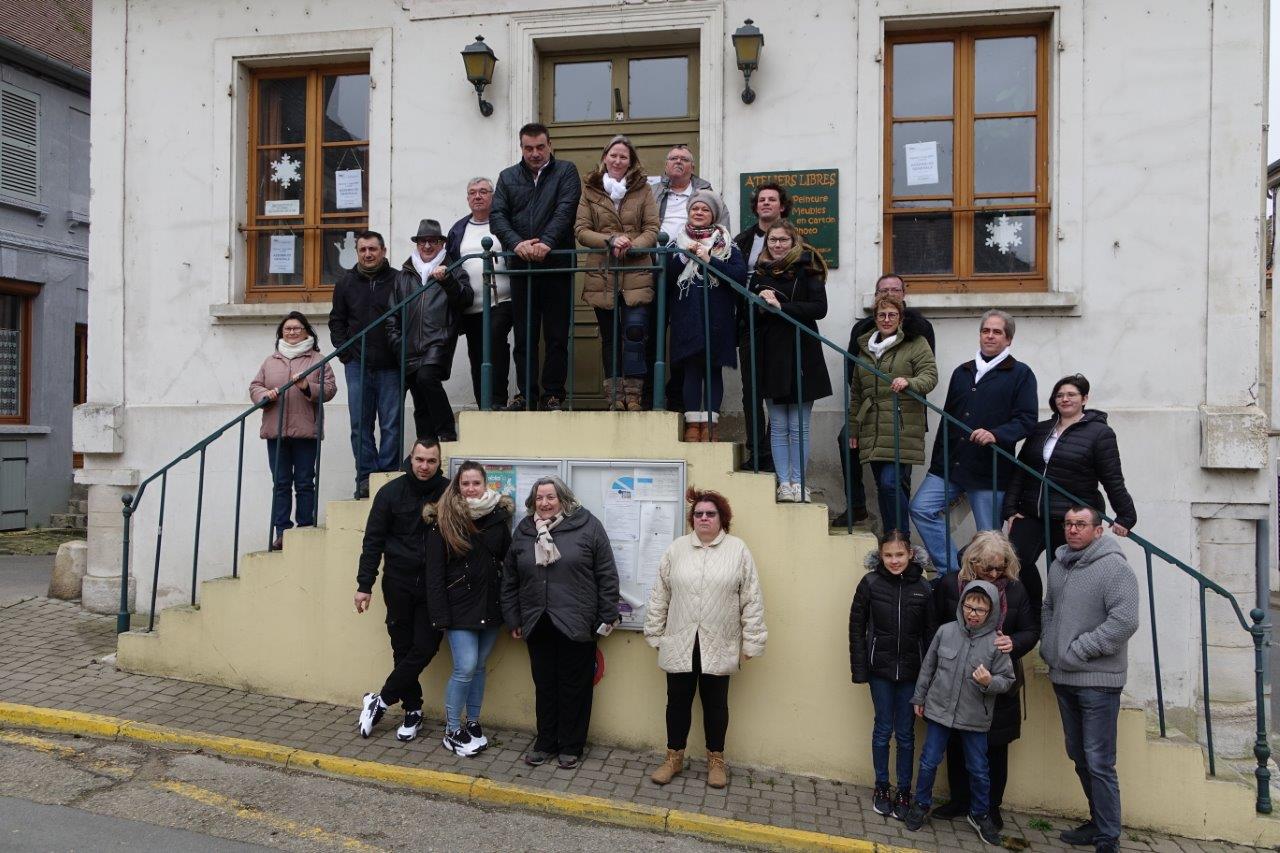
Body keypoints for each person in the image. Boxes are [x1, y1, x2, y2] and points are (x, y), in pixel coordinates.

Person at [645, 488, 766, 790]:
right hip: (681, 640)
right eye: (698, 514)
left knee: (716, 705)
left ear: (721, 518)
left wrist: (752, 641)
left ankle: (716, 761)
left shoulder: (738, 550)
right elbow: (661, 594)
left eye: (710, 513)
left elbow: (751, 598)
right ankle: (674, 758)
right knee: (677, 703)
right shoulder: (677, 549)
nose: (703, 518)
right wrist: (655, 632)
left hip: (719, 641)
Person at [501, 477, 620, 769]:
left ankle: (571, 745)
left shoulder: (587, 526)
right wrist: (513, 617)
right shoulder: (525, 530)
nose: (544, 503)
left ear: (563, 499)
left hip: (576, 621)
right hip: (537, 621)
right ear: (533, 502)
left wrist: (606, 616)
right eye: (539, 498)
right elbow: (510, 578)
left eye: (550, 497)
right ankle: (545, 742)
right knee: (545, 685)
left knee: (574, 686)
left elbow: (606, 573)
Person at [909, 310, 1037, 579]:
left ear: (1008, 339)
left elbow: (1026, 421)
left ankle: (988, 591)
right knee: (921, 508)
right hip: (952, 465)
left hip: (990, 470)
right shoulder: (963, 371)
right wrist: (938, 462)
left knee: (990, 539)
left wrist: (996, 434)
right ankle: (953, 571)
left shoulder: (1021, 374)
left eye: (997, 332)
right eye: (985, 331)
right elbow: (948, 419)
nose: (990, 336)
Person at [1040, 506, 1139, 853]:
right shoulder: (1058, 565)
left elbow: (1124, 622)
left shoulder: (1114, 567)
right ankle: (1097, 822)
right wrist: (1050, 646)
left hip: (1098, 680)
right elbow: (1048, 607)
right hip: (1064, 676)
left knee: (1099, 761)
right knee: (1079, 755)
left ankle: (1108, 836)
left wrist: (1079, 649)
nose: (1072, 530)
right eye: (1068, 524)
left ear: (1098, 531)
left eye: (1081, 524)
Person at [930, 531, 1040, 831]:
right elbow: (934, 626)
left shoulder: (1016, 590)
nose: (994, 574)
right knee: (955, 743)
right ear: (972, 561)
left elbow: (1031, 630)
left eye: (1000, 567)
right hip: (955, 679)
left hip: (999, 681)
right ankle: (960, 800)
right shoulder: (951, 584)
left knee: (995, 746)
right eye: (987, 568)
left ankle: (991, 807)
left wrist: (1013, 643)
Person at [1003, 374, 1136, 609]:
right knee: (1014, 562)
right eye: (1060, 395)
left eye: (1071, 395)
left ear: (1084, 399)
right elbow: (1021, 470)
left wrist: (1125, 516)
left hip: (1070, 518)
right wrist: (1010, 509)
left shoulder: (1099, 433)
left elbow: (1112, 478)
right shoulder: (1040, 430)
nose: (1064, 399)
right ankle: (1036, 614)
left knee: (1065, 574)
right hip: (1032, 512)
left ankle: (1058, 617)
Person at [353, 437, 449, 744]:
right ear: (411, 458)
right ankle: (413, 710)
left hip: (435, 587)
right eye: (419, 459)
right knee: (402, 649)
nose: (424, 466)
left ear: (439, 463)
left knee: (426, 647)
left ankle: (380, 701)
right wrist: (364, 585)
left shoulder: (449, 493)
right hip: (398, 583)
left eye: (431, 461)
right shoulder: (389, 493)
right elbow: (373, 541)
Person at [903, 580, 1014, 846]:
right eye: (969, 606)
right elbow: (928, 667)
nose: (973, 613)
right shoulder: (945, 632)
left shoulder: (996, 644)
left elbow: (1007, 680)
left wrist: (989, 682)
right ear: (962, 605)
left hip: (974, 716)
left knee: (978, 768)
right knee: (929, 760)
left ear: (992, 612)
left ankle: (979, 814)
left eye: (980, 610)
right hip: (939, 709)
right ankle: (921, 804)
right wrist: (919, 697)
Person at [424, 460, 514, 757]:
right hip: (458, 607)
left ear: (485, 485)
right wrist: (440, 616)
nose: (471, 488)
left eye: (476, 483)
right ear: (457, 487)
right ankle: (452, 729)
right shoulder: (444, 519)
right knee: (464, 667)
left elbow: (507, 561)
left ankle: (473, 722)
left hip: (491, 604)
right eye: (465, 483)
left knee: (478, 668)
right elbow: (434, 574)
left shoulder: (499, 516)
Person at [490, 123, 582, 412]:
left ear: (549, 145)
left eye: (540, 147)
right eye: (528, 148)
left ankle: (553, 393)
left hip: (556, 267)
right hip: (521, 267)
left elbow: (566, 210)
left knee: (556, 335)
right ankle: (526, 394)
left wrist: (547, 243)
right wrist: (517, 244)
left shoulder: (566, 171)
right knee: (524, 337)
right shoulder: (507, 177)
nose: (535, 153)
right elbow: (497, 216)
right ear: (521, 148)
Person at [833, 274, 935, 528]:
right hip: (871, 417)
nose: (886, 317)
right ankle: (870, 518)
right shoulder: (863, 335)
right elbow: (854, 382)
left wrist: (908, 383)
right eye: (883, 292)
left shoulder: (918, 332)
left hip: (903, 417)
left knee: (893, 483)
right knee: (883, 481)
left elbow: (928, 375)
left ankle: (900, 539)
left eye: (895, 290)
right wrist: (857, 421)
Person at [849, 530, 937, 821]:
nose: (894, 560)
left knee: (906, 734)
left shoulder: (923, 588)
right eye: (888, 555)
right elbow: (856, 629)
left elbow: (931, 637)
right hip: (880, 672)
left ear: (910, 554)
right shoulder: (870, 583)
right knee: (882, 729)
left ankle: (903, 790)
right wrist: (861, 669)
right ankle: (882, 787)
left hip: (911, 673)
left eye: (899, 554)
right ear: (880, 555)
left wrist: (928, 679)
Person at [748, 220, 832, 502]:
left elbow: (819, 309)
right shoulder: (759, 273)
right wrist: (759, 302)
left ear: (794, 241)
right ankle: (784, 483)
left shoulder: (808, 269)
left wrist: (781, 307)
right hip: (771, 354)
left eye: (783, 240)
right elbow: (749, 312)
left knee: (799, 426)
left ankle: (800, 482)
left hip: (802, 353)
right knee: (779, 425)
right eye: (773, 240)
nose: (777, 245)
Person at [574, 135, 660, 410]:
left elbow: (652, 229)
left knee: (635, 332)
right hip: (602, 273)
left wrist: (631, 245)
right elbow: (581, 230)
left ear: (631, 161)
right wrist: (610, 241)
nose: (618, 160)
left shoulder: (643, 189)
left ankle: (634, 394)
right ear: (605, 158)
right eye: (613, 155)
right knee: (610, 336)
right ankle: (614, 396)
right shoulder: (591, 189)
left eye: (624, 156)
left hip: (637, 270)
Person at [249, 312, 337, 551]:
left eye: (297, 328)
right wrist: (263, 396)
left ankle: (305, 528)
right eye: (287, 329)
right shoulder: (270, 361)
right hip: (275, 432)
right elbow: (255, 386)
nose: (292, 332)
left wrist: (308, 386)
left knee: (305, 482)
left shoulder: (318, 359)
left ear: (307, 331)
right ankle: (282, 532)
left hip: (306, 432)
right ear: (281, 333)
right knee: (281, 484)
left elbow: (330, 389)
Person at [664, 191, 746, 441]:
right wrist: (683, 256)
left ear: (714, 215)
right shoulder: (675, 242)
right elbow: (665, 276)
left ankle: (710, 425)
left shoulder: (727, 243)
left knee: (713, 369)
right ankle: (692, 424)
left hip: (718, 315)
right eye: (695, 209)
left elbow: (739, 276)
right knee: (691, 368)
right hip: (686, 314)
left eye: (705, 210)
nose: (699, 213)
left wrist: (709, 259)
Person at [650, 146, 724, 412]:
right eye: (673, 159)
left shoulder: (707, 193)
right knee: (650, 334)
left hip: (692, 277)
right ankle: (649, 396)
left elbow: (722, 232)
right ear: (666, 164)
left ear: (692, 166)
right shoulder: (653, 191)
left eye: (684, 159)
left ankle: (677, 398)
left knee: (684, 338)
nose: (678, 163)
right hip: (657, 270)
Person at [328, 231, 401, 499]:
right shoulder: (345, 283)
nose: (368, 254)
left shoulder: (397, 280)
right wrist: (345, 352)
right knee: (360, 425)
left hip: (391, 365)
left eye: (373, 249)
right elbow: (337, 321)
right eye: (363, 250)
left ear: (383, 250)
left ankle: (388, 478)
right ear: (357, 252)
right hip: (357, 365)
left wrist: (400, 350)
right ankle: (366, 478)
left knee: (391, 424)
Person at [386, 219, 473, 443]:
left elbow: (465, 299)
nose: (427, 246)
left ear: (441, 244)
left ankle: (446, 432)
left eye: (432, 241)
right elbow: (392, 315)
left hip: (439, 341)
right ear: (417, 244)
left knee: (427, 378)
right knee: (419, 398)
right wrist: (398, 342)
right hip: (409, 346)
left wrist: (448, 281)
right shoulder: (403, 275)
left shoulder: (453, 268)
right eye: (422, 241)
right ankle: (426, 442)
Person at [732, 182, 789, 474]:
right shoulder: (742, 240)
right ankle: (758, 450)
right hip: (748, 322)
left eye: (772, 199)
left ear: (782, 206)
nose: (766, 203)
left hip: (780, 324)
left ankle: (775, 454)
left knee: (777, 388)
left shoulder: (792, 239)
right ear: (755, 206)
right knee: (751, 390)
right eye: (762, 200)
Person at [447, 178, 513, 411]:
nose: (478, 196)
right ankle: (483, 401)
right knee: (476, 353)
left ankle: (497, 400)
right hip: (470, 305)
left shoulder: (502, 223)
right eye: (472, 193)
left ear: (492, 196)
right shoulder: (459, 229)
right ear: (467, 199)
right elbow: (452, 261)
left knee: (494, 339)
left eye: (483, 191)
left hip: (502, 300)